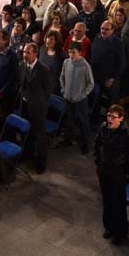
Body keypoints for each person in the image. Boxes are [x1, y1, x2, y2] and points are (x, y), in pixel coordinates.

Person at [94, 104, 129, 245]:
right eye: (108, 115)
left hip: (119, 174)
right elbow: (97, 145)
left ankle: (120, 233)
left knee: (118, 204)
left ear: (121, 119)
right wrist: (98, 162)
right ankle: (109, 228)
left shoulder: (126, 134)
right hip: (104, 171)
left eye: (113, 117)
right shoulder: (103, 128)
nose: (110, 119)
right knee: (107, 201)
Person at [18, 43, 54, 174]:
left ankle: (40, 163)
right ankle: (27, 155)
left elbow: (48, 89)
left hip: (38, 107)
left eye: (28, 53)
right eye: (24, 52)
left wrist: (38, 101)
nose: (25, 55)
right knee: (25, 132)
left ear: (35, 54)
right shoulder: (21, 66)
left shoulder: (44, 69)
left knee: (39, 135)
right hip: (25, 105)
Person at [59, 41, 94, 154]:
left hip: (80, 100)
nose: (71, 55)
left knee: (82, 121)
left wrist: (83, 94)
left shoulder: (85, 66)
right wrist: (63, 90)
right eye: (69, 52)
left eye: (73, 52)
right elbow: (62, 78)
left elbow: (90, 84)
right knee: (69, 121)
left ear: (80, 53)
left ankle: (85, 144)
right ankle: (68, 140)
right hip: (68, 98)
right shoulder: (66, 63)